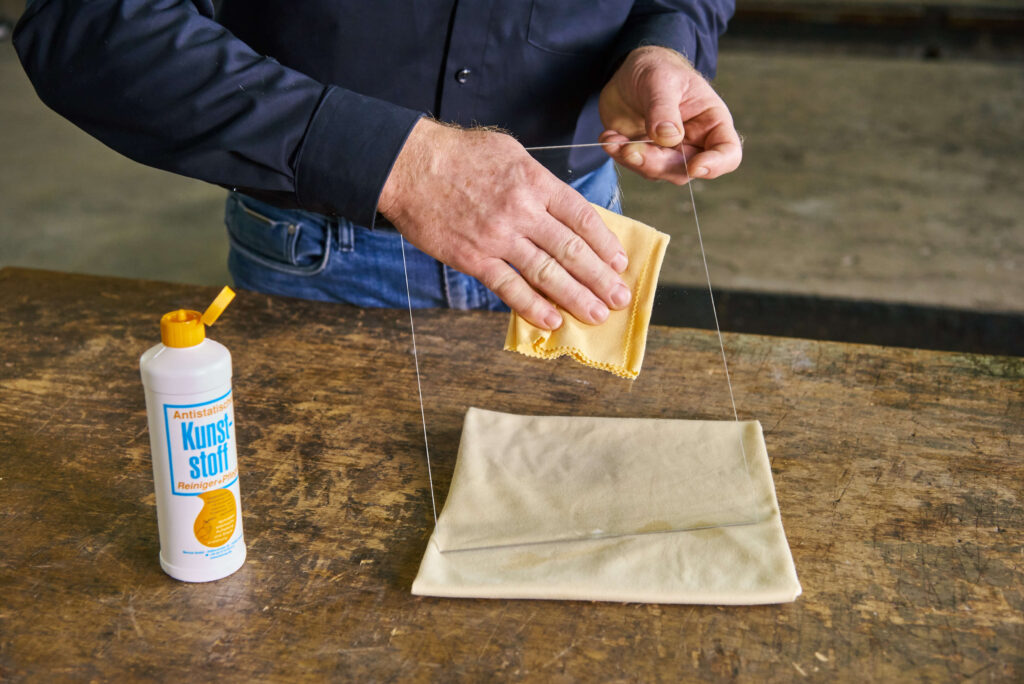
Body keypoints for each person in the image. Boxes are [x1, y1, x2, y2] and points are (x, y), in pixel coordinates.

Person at [14, 1, 742, 331]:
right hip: (321, 253)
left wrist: (663, 41)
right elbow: (88, 23)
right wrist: (397, 162)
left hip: (571, 237)